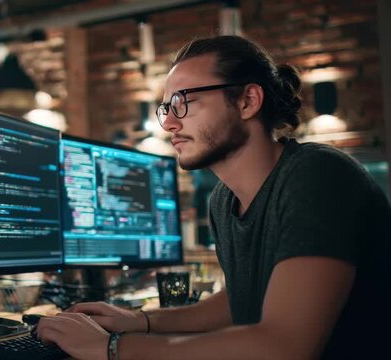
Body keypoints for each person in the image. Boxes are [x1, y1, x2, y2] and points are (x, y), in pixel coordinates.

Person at [35, 35, 391, 359]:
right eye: (166, 109)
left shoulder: (318, 175)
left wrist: (111, 348)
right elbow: (239, 302)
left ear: (248, 101)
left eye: (183, 101)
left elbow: (284, 346)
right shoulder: (223, 201)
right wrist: (139, 320)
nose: (170, 123)